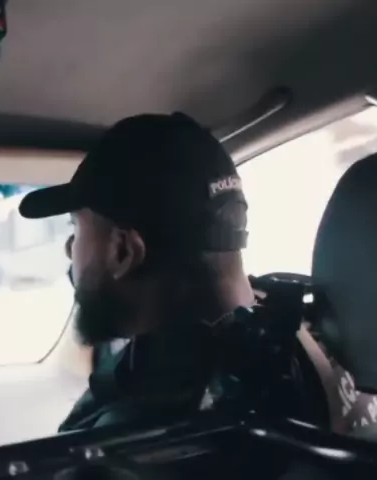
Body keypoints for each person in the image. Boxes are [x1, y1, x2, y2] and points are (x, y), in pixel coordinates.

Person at [17, 112, 255, 431]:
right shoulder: (295, 352)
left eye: (76, 228)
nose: (69, 249)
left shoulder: (128, 439)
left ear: (123, 251)